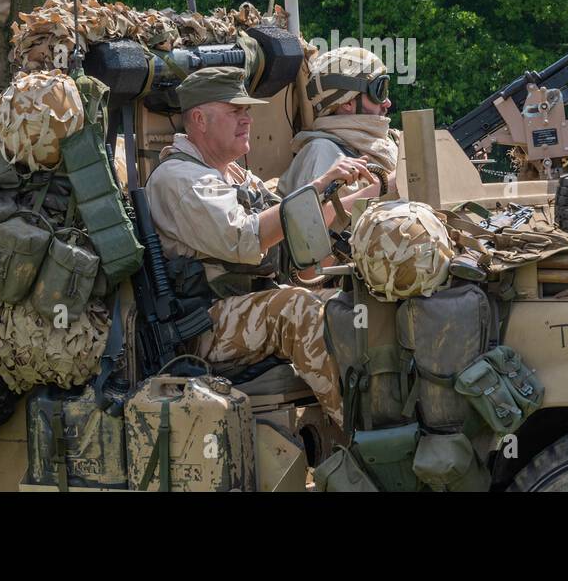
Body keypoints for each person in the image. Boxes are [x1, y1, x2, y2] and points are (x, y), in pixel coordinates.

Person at [145, 67, 389, 428]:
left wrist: (378, 190)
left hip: (242, 308)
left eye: (247, 110)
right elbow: (246, 238)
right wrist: (319, 184)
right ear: (199, 119)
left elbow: (293, 222)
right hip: (201, 326)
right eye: (235, 111)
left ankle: (384, 417)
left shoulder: (231, 173)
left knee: (348, 305)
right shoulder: (179, 179)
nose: (247, 119)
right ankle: (360, 433)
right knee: (296, 309)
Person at [277, 47, 399, 199]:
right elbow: (317, 219)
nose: (387, 103)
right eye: (379, 91)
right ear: (347, 103)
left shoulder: (389, 142)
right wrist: (390, 184)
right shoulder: (321, 152)